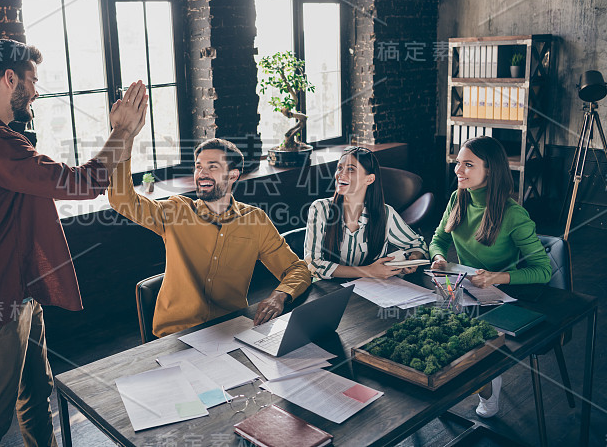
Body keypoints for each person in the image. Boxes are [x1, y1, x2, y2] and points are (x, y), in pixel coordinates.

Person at [0, 39, 147, 447]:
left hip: (18, 296)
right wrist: (122, 130)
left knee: (36, 394)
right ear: (10, 79)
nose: (37, 91)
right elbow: (82, 182)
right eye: (33, 80)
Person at [108, 137, 312, 337]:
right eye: (198, 167)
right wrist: (124, 137)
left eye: (212, 167)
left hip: (231, 330)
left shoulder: (255, 221)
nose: (202, 173)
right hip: (176, 335)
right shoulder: (176, 212)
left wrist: (280, 295)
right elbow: (122, 199)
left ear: (233, 175)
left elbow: (297, 269)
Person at [429, 135, 551, 418]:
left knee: (470, 340)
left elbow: (543, 270)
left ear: (490, 170)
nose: (458, 170)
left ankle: (487, 389)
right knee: (430, 328)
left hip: (503, 299)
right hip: (464, 291)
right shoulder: (457, 198)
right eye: (458, 163)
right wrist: (438, 257)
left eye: (468, 164)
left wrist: (498, 277)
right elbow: (437, 239)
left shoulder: (514, 214)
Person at [305, 146, 428, 280]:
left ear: (369, 179)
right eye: (340, 168)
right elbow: (313, 264)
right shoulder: (320, 209)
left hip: (372, 292)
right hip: (328, 292)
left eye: (351, 169)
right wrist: (367, 271)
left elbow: (417, 244)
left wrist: (412, 259)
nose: (340, 174)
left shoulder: (385, 214)